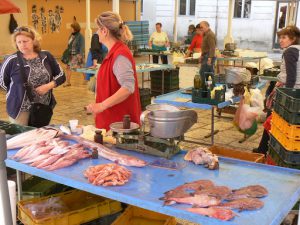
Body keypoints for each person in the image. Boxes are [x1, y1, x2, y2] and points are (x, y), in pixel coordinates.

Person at [86, 11, 141, 131]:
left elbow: (127, 87)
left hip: (119, 126)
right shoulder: (112, 53)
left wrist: (101, 105)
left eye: (98, 29)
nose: (97, 32)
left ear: (105, 31)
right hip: (110, 122)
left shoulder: (120, 55)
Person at [0, 26, 65, 125]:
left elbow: (61, 75)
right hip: (20, 109)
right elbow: (3, 83)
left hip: (43, 107)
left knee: (41, 136)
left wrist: (48, 86)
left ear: (34, 40)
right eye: (19, 42)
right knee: (23, 137)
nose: (22, 45)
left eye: (25, 41)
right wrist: (17, 93)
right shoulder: (11, 60)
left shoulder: (46, 56)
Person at [254, 25, 300, 154]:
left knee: (272, 120)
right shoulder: (298, 50)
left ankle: (262, 150)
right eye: (280, 37)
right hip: (296, 92)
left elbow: (291, 77)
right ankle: (265, 148)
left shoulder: (290, 51)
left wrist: (286, 96)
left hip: (289, 92)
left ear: (293, 38)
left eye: (284, 37)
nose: (280, 40)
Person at [64, 22, 85, 87]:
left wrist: (80, 54)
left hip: (77, 54)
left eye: (72, 28)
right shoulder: (71, 35)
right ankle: (68, 82)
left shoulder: (80, 36)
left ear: (75, 28)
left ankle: (68, 82)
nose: (71, 29)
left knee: (71, 67)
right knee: (80, 67)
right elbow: (69, 45)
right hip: (71, 54)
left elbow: (82, 45)